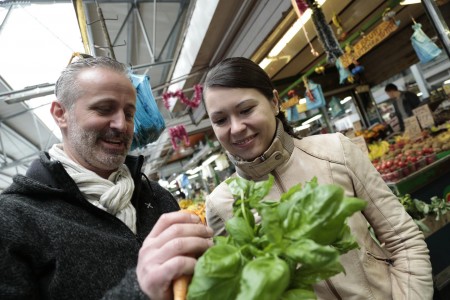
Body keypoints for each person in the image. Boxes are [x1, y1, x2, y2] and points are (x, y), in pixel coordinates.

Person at [203, 57, 433, 299]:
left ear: (274, 102)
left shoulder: (335, 151)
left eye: (246, 110)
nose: (236, 127)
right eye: (220, 120)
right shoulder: (221, 205)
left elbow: (404, 240)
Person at [0, 56, 213, 300]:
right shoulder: (13, 220)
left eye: (129, 113)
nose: (122, 125)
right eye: (104, 109)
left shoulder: (158, 199)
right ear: (61, 114)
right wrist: (138, 290)